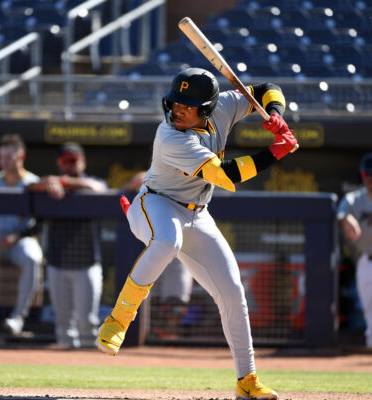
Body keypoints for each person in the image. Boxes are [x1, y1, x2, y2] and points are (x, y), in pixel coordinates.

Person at [95, 67, 298, 399]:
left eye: (186, 105)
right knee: (167, 241)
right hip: (156, 204)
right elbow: (226, 176)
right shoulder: (171, 136)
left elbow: (267, 87)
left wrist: (276, 114)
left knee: (233, 292)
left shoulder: (226, 106)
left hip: (197, 213)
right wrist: (275, 151)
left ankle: (247, 381)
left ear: (206, 108)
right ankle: (117, 320)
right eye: (175, 102)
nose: (177, 110)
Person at [28, 142, 108, 348]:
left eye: (74, 160)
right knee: (63, 324)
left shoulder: (92, 182)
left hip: (87, 263)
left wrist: (63, 181)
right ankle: (66, 371)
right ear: (59, 162)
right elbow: (27, 188)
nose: (70, 164)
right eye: (66, 161)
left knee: (86, 321)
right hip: (57, 263)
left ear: (83, 161)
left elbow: (99, 188)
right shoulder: (50, 186)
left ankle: (92, 368)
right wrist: (49, 182)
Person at [0, 134, 43, 335]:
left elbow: (38, 223)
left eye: (9, 157)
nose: (4, 161)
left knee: (32, 257)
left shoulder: (33, 182)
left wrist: (17, 237)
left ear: (20, 157)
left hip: (19, 241)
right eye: (1, 157)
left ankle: (17, 318)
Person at [121, 171, 194, 340]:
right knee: (144, 303)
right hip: (151, 247)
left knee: (175, 307)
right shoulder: (148, 178)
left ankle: (171, 345)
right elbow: (124, 190)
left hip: (178, 252)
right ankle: (145, 341)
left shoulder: (187, 174)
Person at [337, 153, 372, 349]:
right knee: (370, 312)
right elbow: (340, 212)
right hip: (367, 262)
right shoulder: (355, 199)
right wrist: (346, 220)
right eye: (367, 176)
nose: (370, 180)